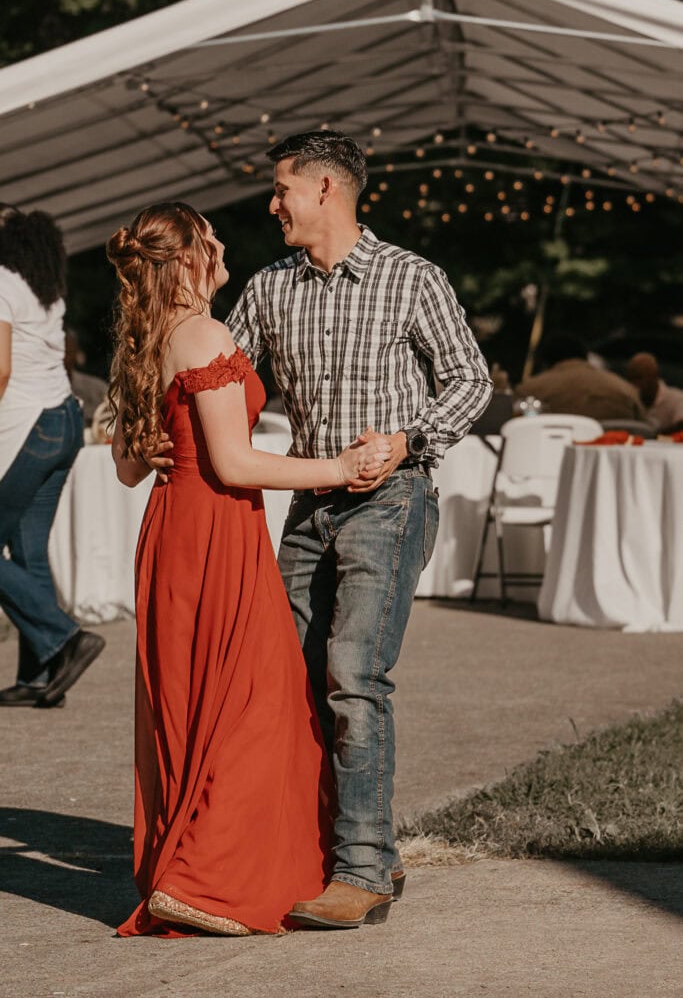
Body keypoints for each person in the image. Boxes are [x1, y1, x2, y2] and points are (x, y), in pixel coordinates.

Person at [227, 130, 492, 928]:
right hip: (310, 501)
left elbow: (470, 380)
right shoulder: (269, 286)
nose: (271, 205)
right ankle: (332, 847)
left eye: (281, 190)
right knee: (290, 677)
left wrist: (408, 439)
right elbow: (225, 371)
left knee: (352, 676)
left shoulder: (412, 277)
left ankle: (364, 870)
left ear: (325, 190)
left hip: (393, 498)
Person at [107, 201, 391, 937]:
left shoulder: (148, 336)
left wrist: (160, 440)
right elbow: (233, 463)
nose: (223, 239)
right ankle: (208, 878)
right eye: (210, 233)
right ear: (190, 256)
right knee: (256, 707)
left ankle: (182, 868)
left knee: (193, 702)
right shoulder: (202, 331)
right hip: (215, 534)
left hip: (171, 531)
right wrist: (340, 467)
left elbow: (128, 468)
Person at [0, 204, 105, 709]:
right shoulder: (45, 288)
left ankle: (65, 636)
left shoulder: (0, 281)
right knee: (28, 553)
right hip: (63, 420)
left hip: (26, 427)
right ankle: (40, 679)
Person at [515, 332, 644, 422]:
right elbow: (646, 429)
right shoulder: (626, 390)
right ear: (586, 356)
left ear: (545, 362)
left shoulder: (529, 391)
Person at [626, 352, 683, 433]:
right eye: (632, 379)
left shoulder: (677, 400)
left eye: (640, 378)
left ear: (654, 376)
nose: (636, 385)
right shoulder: (629, 401)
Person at [64, 328, 108, 427]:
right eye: (59, 351)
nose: (63, 356)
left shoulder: (98, 388)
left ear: (76, 354)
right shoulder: (40, 391)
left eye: (67, 351)